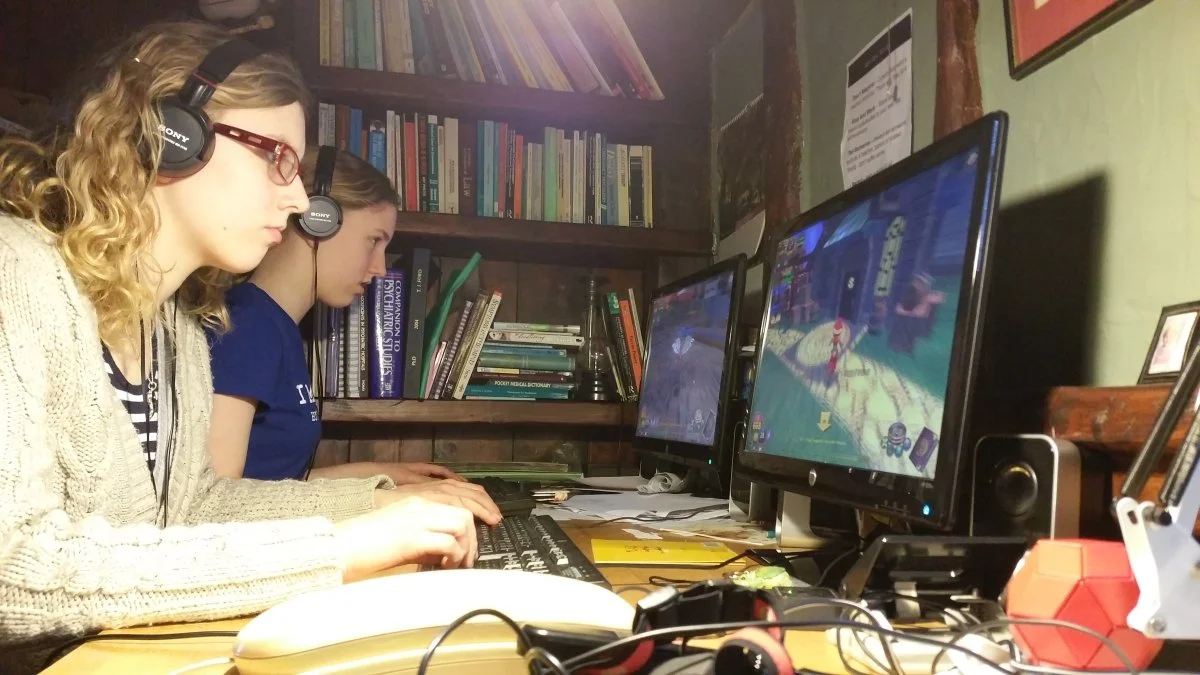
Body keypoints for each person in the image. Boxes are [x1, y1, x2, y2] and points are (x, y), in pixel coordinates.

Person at [0, 21, 477, 672]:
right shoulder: (16, 272)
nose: (297, 200)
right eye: (275, 157)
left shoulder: (177, 327)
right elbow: (12, 568)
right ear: (171, 136)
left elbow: (200, 504)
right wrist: (334, 550)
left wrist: (378, 504)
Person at [205, 146, 500, 522]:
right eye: (374, 240)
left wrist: (385, 476)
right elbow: (218, 501)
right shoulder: (245, 325)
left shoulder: (277, 327)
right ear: (317, 220)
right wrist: (383, 501)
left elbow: (276, 483)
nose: (380, 268)